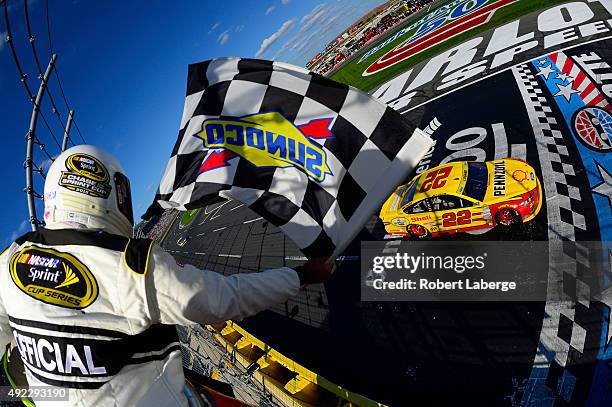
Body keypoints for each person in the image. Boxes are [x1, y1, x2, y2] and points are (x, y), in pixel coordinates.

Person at [0, 145, 332, 407]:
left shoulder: (9, 260)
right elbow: (225, 298)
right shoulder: (130, 264)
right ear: (104, 191)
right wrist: (301, 275)